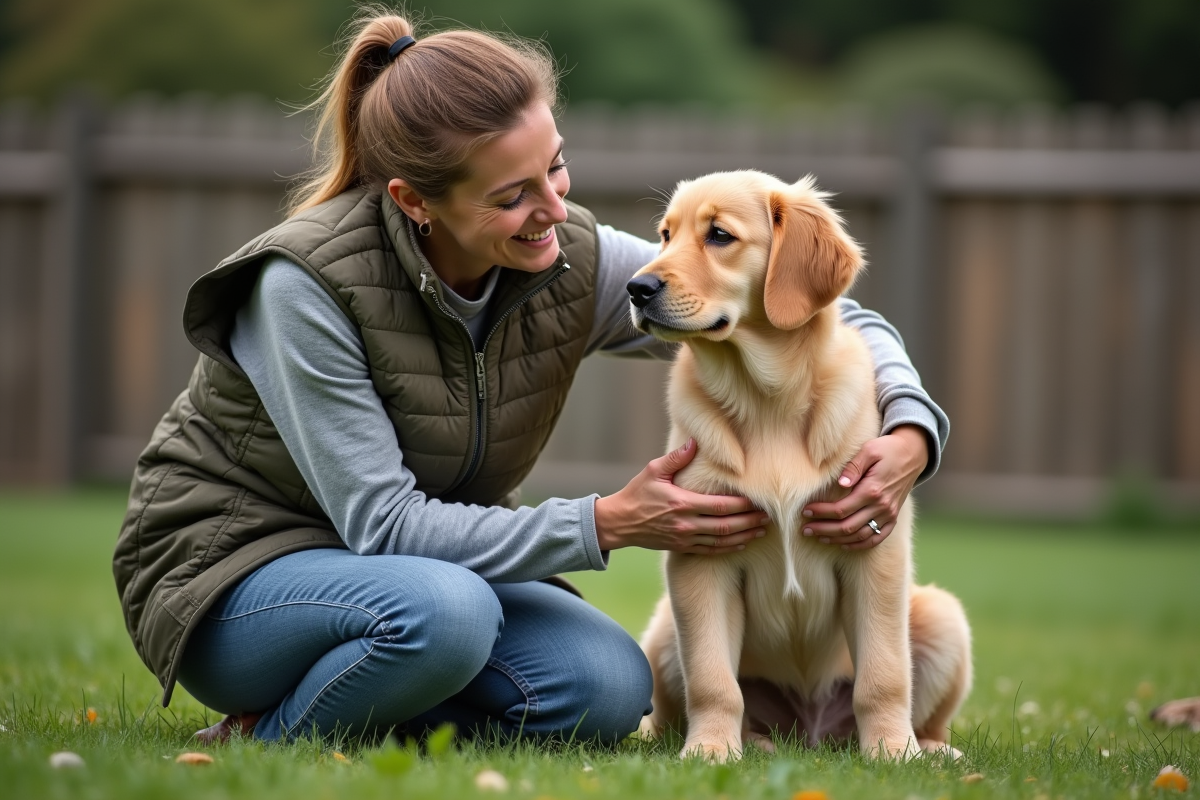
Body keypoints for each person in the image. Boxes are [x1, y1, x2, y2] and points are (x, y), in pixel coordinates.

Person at [112, 12, 949, 746]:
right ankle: (271, 732)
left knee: (609, 687)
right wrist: (608, 522)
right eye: (513, 195)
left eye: (556, 166)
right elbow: (383, 526)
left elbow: (824, 320)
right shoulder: (303, 289)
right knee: (446, 616)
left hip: (425, 574)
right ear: (415, 202)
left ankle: (378, 702)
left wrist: (911, 429)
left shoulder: (564, 259)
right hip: (235, 575)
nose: (552, 209)